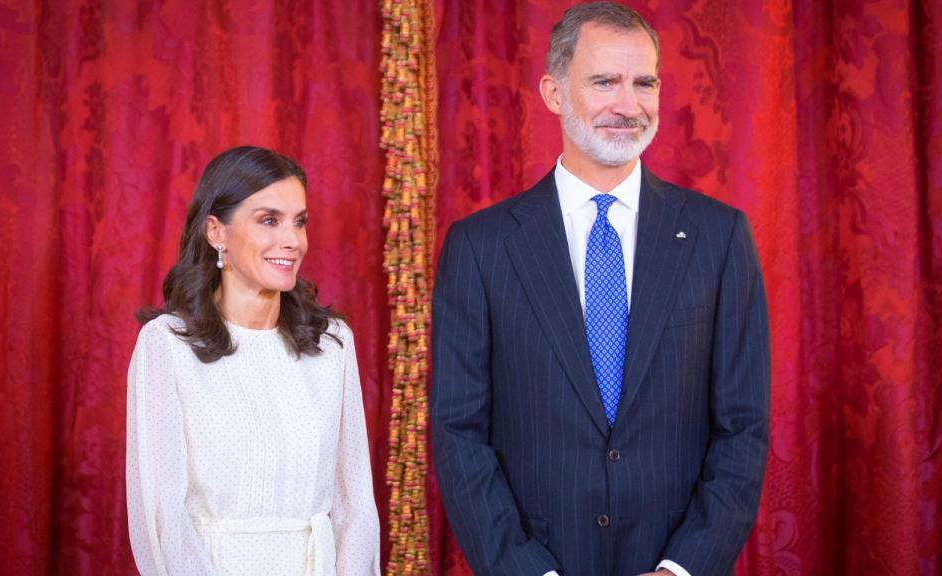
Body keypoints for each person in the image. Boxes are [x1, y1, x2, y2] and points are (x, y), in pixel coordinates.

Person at [431, 3, 770, 576]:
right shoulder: (480, 246)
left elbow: (744, 424)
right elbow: (458, 430)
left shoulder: (720, 236)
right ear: (554, 93)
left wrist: (682, 567)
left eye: (644, 83)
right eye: (605, 82)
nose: (628, 105)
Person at [126, 146, 380, 576]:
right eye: (268, 220)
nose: (293, 240)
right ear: (216, 232)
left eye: (299, 221)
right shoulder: (167, 345)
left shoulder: (331, 344)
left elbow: (355, 503)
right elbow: (162, 517)